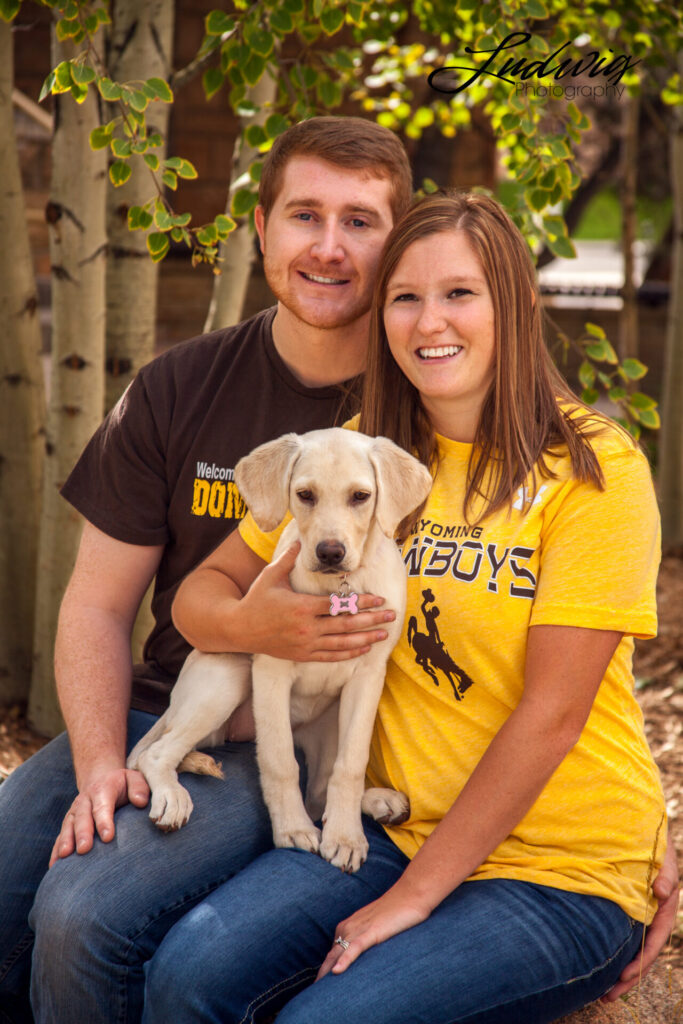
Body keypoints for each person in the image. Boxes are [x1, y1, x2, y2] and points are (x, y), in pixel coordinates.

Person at [140, 191, 677, 1024]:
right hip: (394, 824)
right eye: (405, 297)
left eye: (460, 292)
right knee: (186, 975)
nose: (431, 321)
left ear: (514, 303)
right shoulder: (361, 457)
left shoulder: (593, 472)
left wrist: (416, 899)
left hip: (559, 865)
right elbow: (202, 598)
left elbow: (552, 716)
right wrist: (259, 629)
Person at [0, 116, 413, 1024]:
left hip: (289, 733)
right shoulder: (177, 387)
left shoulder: (424, 401)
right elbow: (97, 607)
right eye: (305, 215)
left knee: (81, 918)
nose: (329, 247)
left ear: (398, 240)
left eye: (360, 221)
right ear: (260, 227)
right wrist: (105, 764)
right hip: (169, 699)